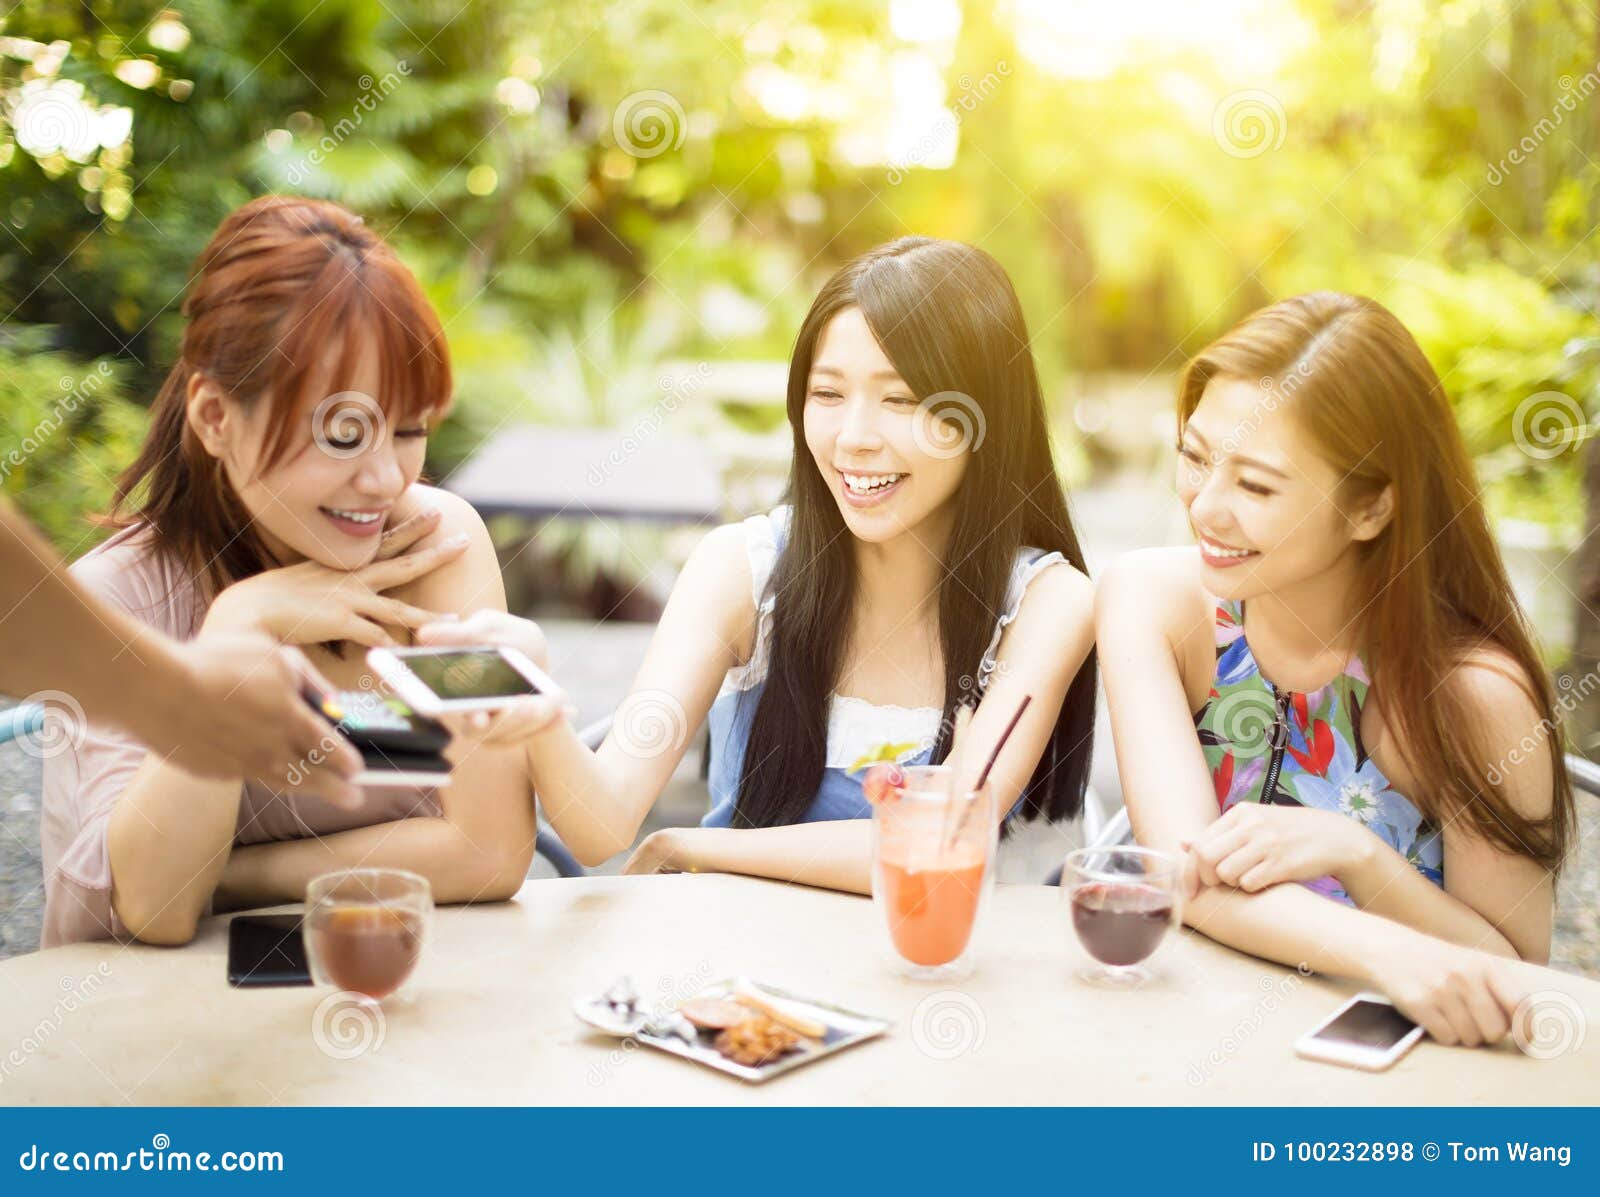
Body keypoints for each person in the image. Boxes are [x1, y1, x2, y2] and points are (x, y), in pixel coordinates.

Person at [420, 237, 1098, 894]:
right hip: (735, 981)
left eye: (901, 398)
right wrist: (540, 709)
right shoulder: (741, 569)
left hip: (930, 977)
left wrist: (699, 846)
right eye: (827, 394)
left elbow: (942, 839)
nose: (855, 438)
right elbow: (601, 825)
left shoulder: (1047, 603)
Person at [40, 196, 537, 948]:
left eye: (408, 431)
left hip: (397, 998)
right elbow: (157, 905)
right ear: (215, 417)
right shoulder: (120, 598)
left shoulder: (437, 548)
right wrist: (236, 631)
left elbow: (490, 852)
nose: (383, 480)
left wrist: (234, 875)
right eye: (342, 435)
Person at [1096, 292, 1575, 1046]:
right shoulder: (1152, 601)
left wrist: (1355, 854)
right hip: (1184, 1042)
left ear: (1370, 510)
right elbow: (1182, 878)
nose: (1206, 508)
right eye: (1194, 458)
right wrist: (1390, 949)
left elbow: (1518, 976)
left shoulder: (1474, 696)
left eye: (1255, 485)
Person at [1, 497, 361, 798]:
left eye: (408, 432)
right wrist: (184, 685)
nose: (385, 480)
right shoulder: (122, 584)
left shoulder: (406, 532)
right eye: (336, 439)